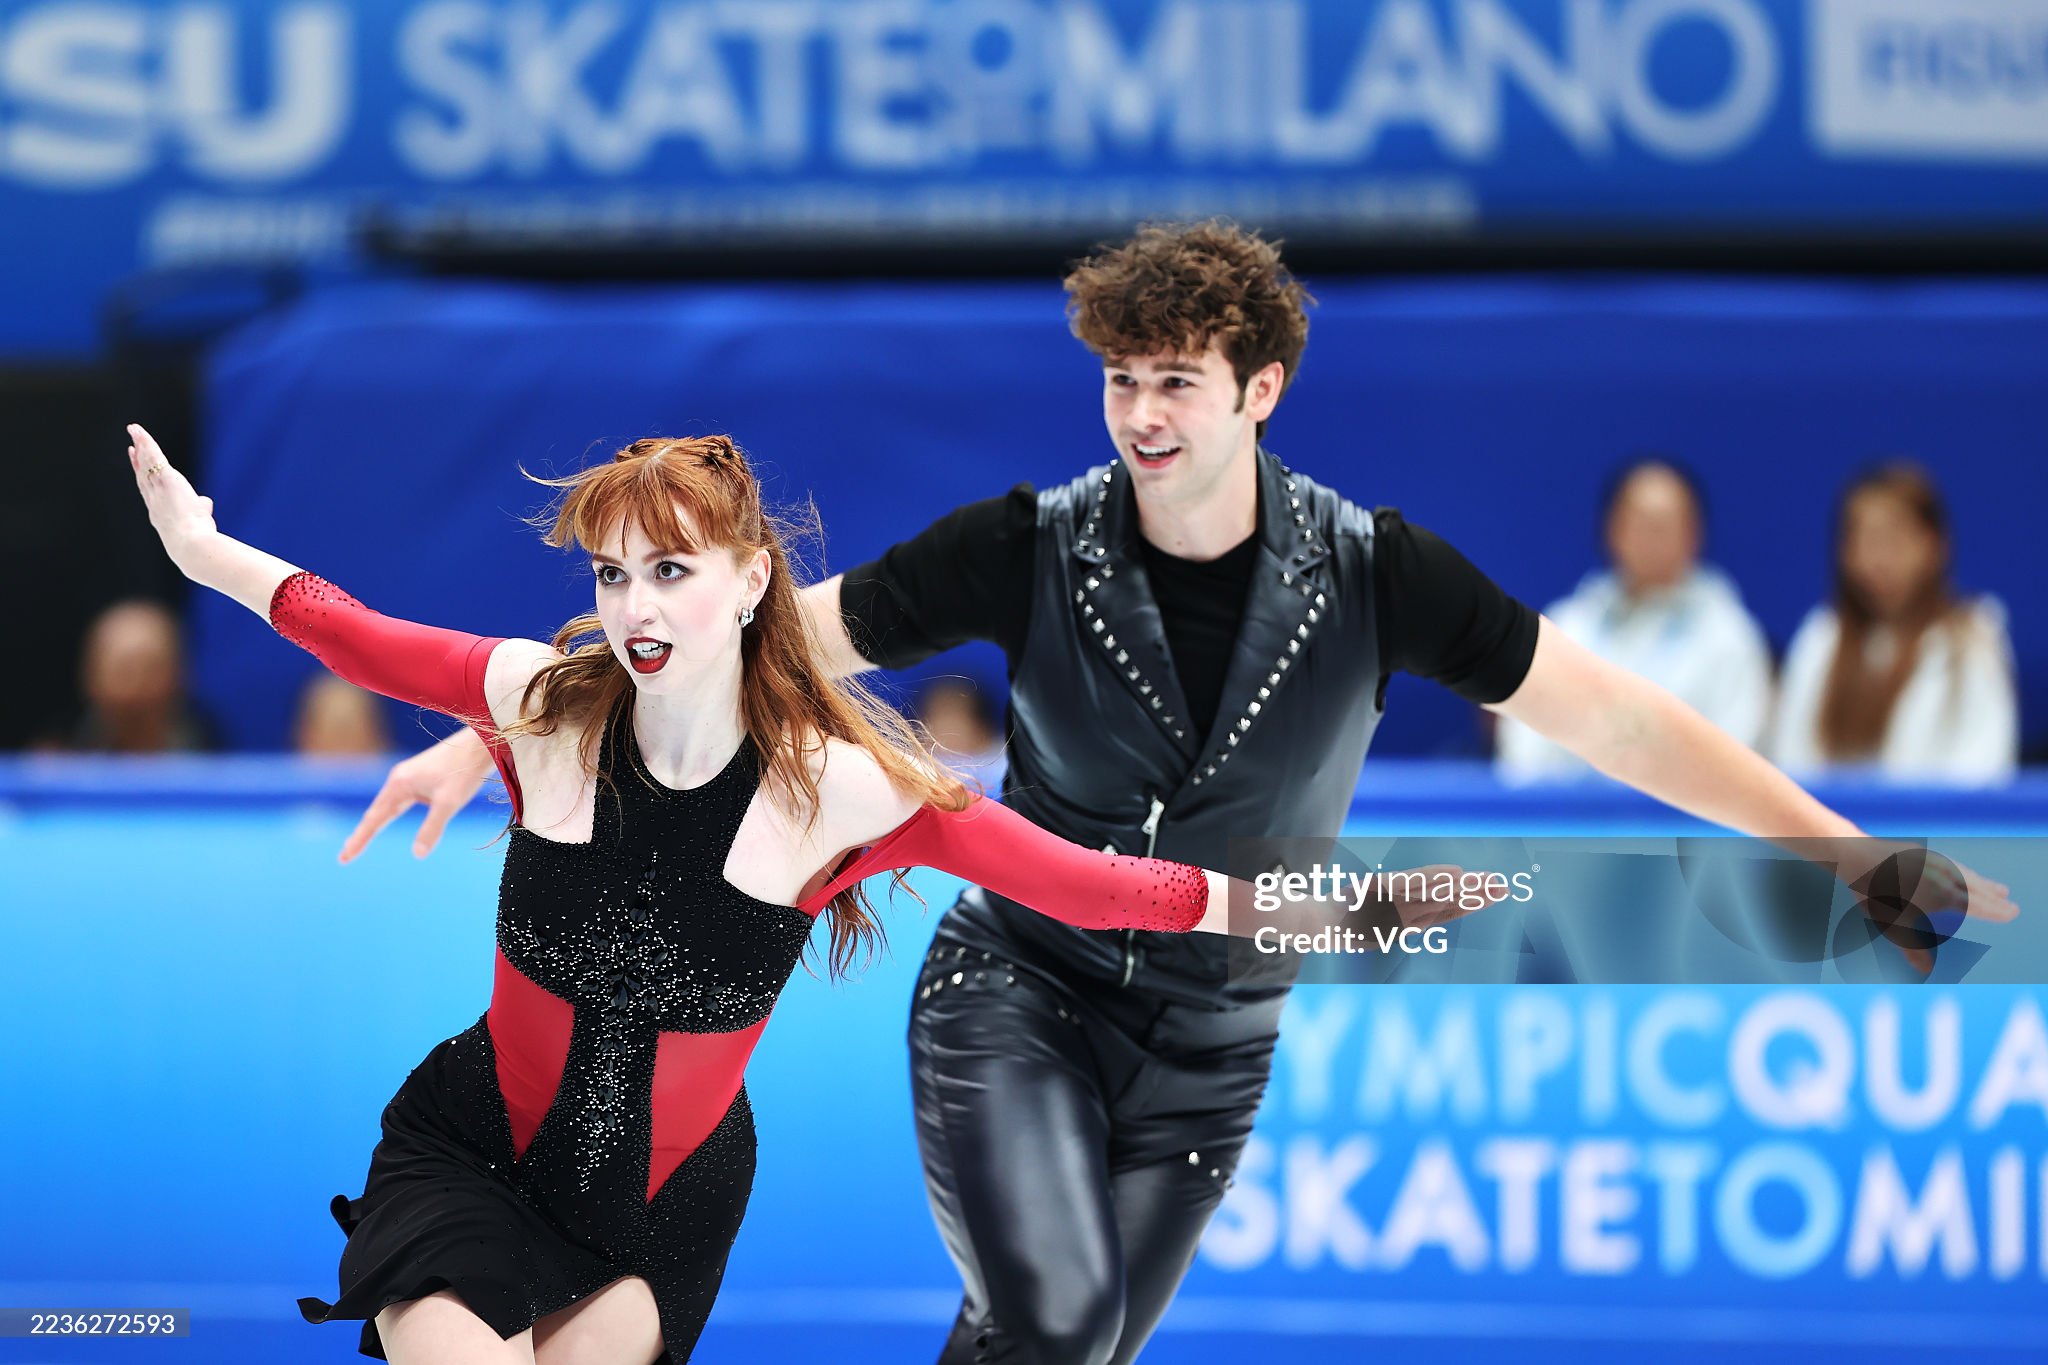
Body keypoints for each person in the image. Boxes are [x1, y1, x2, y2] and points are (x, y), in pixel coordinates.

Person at [348, 222, 2013, 1365]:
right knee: (1061, 1319)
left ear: (1259, 390)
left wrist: (1845, 853)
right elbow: (743, 644)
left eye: (1175, 383)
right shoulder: (1026, 543)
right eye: (1119, 380)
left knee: (1051, 1349)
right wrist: (499, 728)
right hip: (1014, 994)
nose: (1140, 415)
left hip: (1215, 1040)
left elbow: (1623, 724)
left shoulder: (1379, 574)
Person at [120, 420, 1308, 1365]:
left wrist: (1334, 908)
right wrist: (204, 554)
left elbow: (1094, 887)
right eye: (612, 574)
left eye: (670, 572)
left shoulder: (841, 794)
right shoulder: (543, 711)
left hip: (663, 1205)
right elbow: (358, 637)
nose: (633, 609)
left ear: (750, 581)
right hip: (472, 1154)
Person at [1497, 458, 1773, 782]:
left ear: (1694, 534)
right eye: (1640, 522)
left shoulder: (1728, 637)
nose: (1652, 538)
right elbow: (1524, 751)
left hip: (1681, 813)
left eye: (1666, 525)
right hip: (1571, 812)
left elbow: (1737, 759)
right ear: (1612, 529)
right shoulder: (1567, 626)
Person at [1769, 461, 2019, 786]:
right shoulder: (1822, 638)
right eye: (1866, 540)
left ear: (1934, 545)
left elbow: (1986, 769)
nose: (1880, 558)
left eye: (1895, 539)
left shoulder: (1971, 640)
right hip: (1828, 819)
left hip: (1939, 818)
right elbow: (1792, 760)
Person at [68, 598, 216, 752]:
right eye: (124, 670)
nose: (136, 685)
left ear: (180, 674)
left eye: (150, 669)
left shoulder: (212, 756)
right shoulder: (64, 758)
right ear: (92, 675)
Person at [295, 675, 394, 756]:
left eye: (349, 732)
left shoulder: (398, 771)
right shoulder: (289, 770)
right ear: (308, 734)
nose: (340, 743)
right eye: (333, 732)